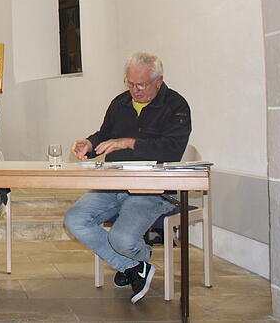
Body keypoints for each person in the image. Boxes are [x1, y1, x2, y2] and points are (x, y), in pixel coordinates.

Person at [63, 51, 191, 304]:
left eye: (141, 85)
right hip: (113, 184)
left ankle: (133, 260)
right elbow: (105, 134)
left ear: (159, 81)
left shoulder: (176, 106)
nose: (135, 90)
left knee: (120, 238)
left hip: (152, 189)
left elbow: (172, 150)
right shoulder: (120, 102)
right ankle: (133, 267)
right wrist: (89, 143)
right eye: (130, 83)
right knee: (74, 220)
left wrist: (130, 143)